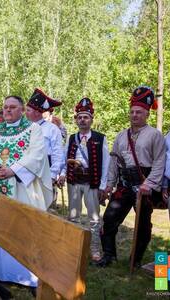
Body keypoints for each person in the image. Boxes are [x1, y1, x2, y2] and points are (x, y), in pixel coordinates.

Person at [0, 95, 53, 287]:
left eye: (12, 107)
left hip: (22, 189)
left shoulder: (33, 129)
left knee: (23, 228)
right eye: (5, 107)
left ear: (21, 110)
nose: (8, 111)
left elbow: (37, 155)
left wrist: (13, 170)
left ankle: (25, 275)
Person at [97, 86, 166, 268]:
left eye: (139, 112)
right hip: (124, 185)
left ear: (147, 114)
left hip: (144, 186)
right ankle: (109, 255)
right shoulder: (121, 136)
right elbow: (114, 163)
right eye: (132, 112)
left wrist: (150, 184)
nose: (134, 115)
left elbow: (160, 162)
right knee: (110, 219)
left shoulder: (155, 135)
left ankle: (135, 260)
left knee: (142, 226)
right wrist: (109, 185)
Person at [57, 97, 109, 262]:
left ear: (92, 119)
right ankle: (75, 247)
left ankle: (94, 249)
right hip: (73, 182)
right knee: (73, 217)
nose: (82, 120)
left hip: (92, 183)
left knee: (93, 219)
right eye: (79, 117)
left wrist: (102, 185)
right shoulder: (72, 138)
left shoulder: (101, 138)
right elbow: (66, 158)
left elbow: (106, 164)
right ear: (76, 120)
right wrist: (62, 174)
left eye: (86, 117)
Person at [25, 88, 64, 209]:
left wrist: (52, 176)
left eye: (28, 110)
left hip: (44, 173)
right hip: (25, 172)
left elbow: (58, 154)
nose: (25, 113)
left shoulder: (52, 129)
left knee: (42, 207)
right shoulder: (24, 128)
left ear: (37, 112)